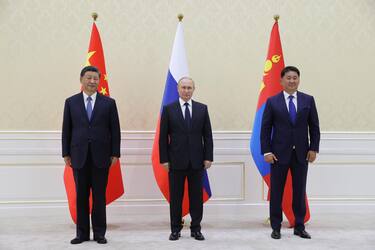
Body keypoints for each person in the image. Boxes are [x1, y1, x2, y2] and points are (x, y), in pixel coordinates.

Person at [62, 66, 121, 244]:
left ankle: (99, 233)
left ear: (99, 80)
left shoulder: (109, 103)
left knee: (99, 196)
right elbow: (67, 130)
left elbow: (115, 131)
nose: (92, 81)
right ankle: (81, 234)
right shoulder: (71, 102)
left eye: (95, 78)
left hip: (101, 156)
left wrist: (115, 153)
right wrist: (66, 152)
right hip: (78, 156)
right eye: (89, 78)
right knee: (81, 196)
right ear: (81, 79)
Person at [260, 66, 320, 240]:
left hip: (302, 154)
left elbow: (314, 127)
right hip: (278, 154)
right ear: (281, 81)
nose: (292, 81)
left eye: (295, 78)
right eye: (289, 78)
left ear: (298, 80)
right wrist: (266, 151)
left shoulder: (308, 100)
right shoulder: (272, 101)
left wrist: (314, 148)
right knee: (277, 191)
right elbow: (265, 129)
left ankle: (299, 226)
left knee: (299, 191)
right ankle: (276, 227)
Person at [159, 76, 213, 241]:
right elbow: (163, 138)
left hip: (197, 162)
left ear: (193, 89)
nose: (186, 91)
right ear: (178, 89)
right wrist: (164, 159)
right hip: (175, 162)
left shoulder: (202, 109)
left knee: (196, 198)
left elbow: (207, 136)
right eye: (183, 87)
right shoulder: (169, 109)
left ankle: (196, 229)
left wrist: (208, 157)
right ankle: (175, 229)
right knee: (176, 198)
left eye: (189, 88)